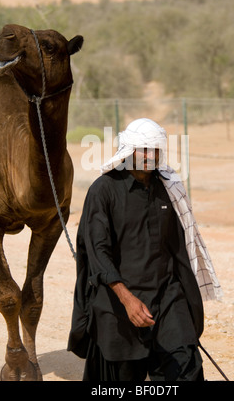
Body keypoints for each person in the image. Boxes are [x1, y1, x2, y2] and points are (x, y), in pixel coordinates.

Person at [68, 118, 222, 381]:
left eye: (156, 150)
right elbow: (97, 252)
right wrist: (127, 299)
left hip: (168, 300)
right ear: (128, 151)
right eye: (144, 149)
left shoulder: (168, 188)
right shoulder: (103, 191)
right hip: (119, 306)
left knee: (187, 370)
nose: (151, 156)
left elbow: (179, 247)